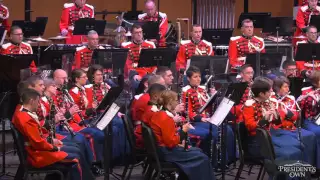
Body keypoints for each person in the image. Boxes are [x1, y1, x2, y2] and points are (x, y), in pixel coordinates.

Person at [12, 89, 95, 180]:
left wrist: (51, 141)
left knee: (76, 150)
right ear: (31, 101)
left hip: (39, 149)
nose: (39, 104)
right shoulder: (27, 119)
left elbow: (37, 136)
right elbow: (37, 143)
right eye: (38, 101)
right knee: (76, 156)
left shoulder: (23, 113)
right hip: (37, 155)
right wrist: (55, 147)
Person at [149, 90, 215, 180]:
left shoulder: (160, 114)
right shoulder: (165, 118)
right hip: (166, 152)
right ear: (170, 102)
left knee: (198, 151)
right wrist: (183, 131)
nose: (177, 103)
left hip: (162, 150)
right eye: (176, 100)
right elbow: (171, 143)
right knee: (203, 157)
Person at [182, 66, 235, 165]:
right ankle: (219, 161)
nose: (198, 79)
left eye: (199, 76)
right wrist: (201, 118)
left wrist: (214, 97)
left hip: (208, 118)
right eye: (195, 77)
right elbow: (187, 111)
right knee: (215, 132)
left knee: (227, 129)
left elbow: (208, 106)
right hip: (196, 121)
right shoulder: (185, 91)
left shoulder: (202, 90)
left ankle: (231, 158)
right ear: (188, 79)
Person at [243, 78, 303, 161]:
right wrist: (264, 119)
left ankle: (295, 171)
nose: (272, 93)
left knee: (298, 147)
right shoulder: (250, 106)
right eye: (269, 91)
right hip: (259, 141)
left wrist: (277, 115)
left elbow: (277, 123)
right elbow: (250, 126)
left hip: (272, 135)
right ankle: (278, 172)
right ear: (261, 94)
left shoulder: (269, 102)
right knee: (289, 153)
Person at [122, 24, 156, 89]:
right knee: (136, 82)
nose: (139, 34)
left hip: (149, 74)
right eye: (136, 33)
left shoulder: (150, 45)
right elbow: (128, 65)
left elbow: (154, 63)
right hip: (134, 74)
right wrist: (136, 75)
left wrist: (150, 74)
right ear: (132, 34)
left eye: (140, 32)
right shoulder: (126, 46)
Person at [135, 83, 166, 148]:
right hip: (156, 146)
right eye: (164, 97)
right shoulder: (153, 111)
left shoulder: (152, 107)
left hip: (151, 143)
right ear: (155, 96)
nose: (166, 99)